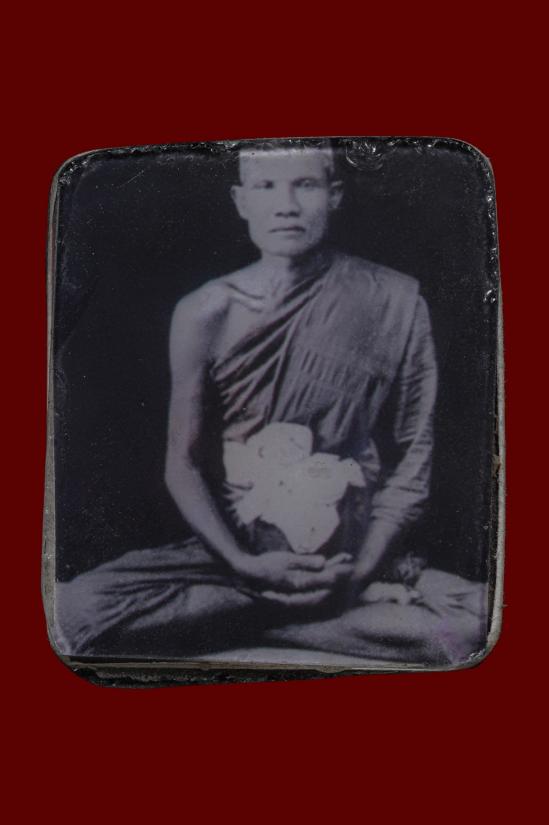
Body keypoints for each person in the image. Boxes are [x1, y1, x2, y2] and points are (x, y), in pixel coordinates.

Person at [54, 140, 487, 665]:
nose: (286, 205)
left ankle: (273, 613)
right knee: (75, 613)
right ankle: (299, 616)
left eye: (305, 185)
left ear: (334, 195)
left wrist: (359, 572)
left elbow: (413, 459)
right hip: (235, 552)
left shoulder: (394, 299)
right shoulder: (205, 311)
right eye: (266, 186)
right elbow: (182, 463)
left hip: (351, 549)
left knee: (469, 629)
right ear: (242, 201)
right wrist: (242, 563)